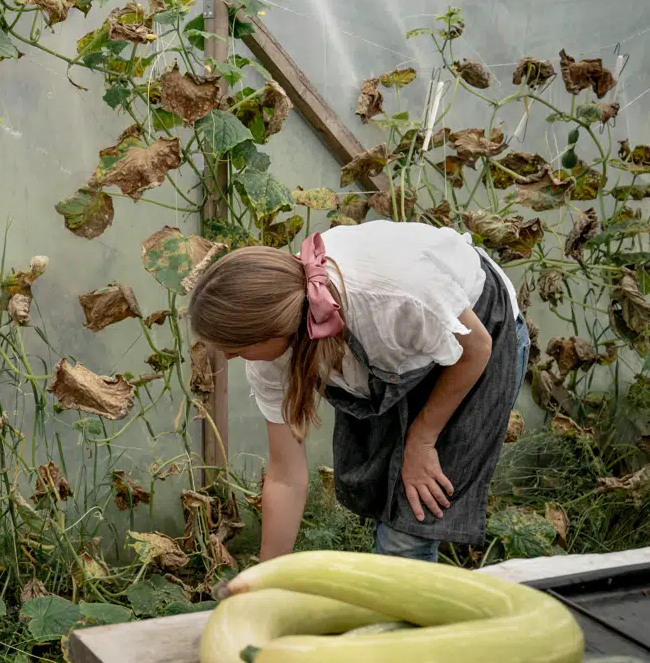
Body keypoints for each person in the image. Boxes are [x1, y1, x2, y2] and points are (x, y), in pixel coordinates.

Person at [188, 219, 531, 563]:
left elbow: (476, 348)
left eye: (235, 348)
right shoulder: (272, 350)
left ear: (271, 330)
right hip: (396, 354)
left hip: (470, 339)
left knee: (408, 530)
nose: (231, 357)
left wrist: (422, 440)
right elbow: (286, 476)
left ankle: (413, 608)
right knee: (381, 497)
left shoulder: (394, 295)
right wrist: (265, 578)